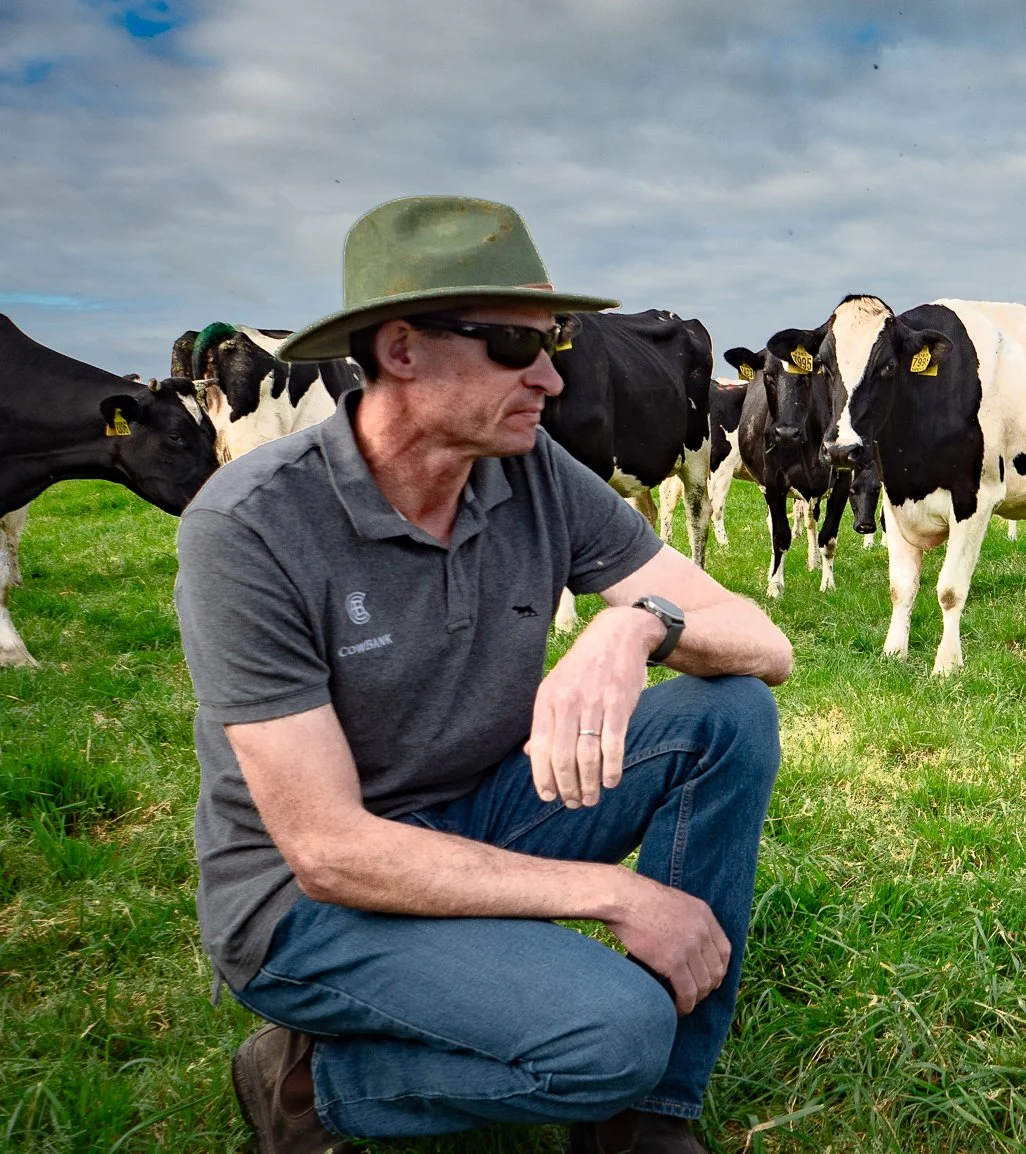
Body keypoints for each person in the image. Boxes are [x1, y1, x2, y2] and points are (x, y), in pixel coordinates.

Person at [174, 196, 792, 1154]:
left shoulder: (533, 470)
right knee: (614, 1031)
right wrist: (622, 896)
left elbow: (765, 645)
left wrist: (635, 628)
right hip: (308, 901)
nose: (550, 377)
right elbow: (330, 850)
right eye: (514, 345)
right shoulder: (251, 525)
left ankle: (650, 1113)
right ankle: (309, 1088)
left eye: (556, 344)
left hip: (480, 807)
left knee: (730, 713)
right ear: (402, 349)